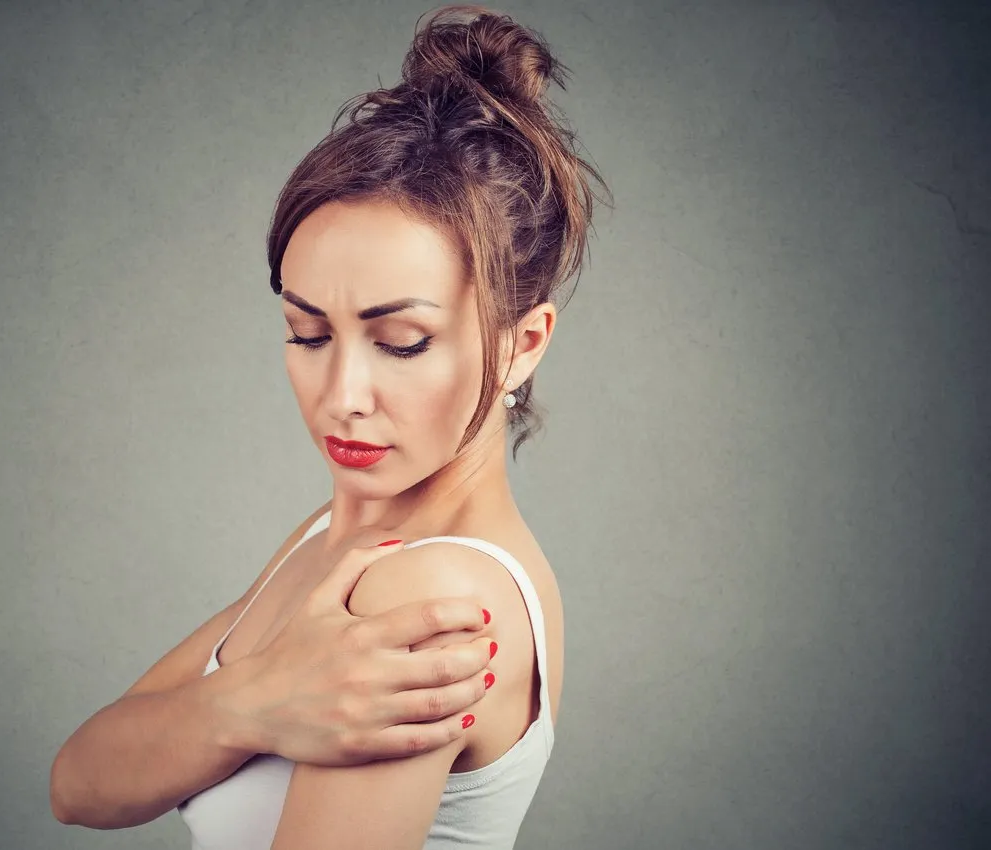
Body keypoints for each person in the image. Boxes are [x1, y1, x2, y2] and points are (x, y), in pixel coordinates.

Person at [50, 4, 608, 848]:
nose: (342, 394)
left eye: (401, 342)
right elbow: (81, 783)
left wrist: (241, 710)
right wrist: (256, 702)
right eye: (308, 334)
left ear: (521, 346)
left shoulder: (432, 600)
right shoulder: (337, 533)